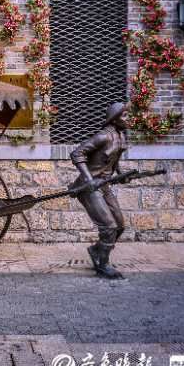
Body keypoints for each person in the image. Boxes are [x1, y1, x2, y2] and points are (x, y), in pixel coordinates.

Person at [69, 102, 130, 279]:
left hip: (104, 185)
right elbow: (77, 154)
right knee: (109, 226)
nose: (128, 119)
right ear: (115, 119)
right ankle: (103, 265)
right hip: (88, 187)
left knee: (119, 226)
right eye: (125, 116)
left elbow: (113, 161)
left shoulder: (120, 136)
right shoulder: (103, 136)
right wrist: (88, 180)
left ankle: (96, 251)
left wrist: (121, 175)